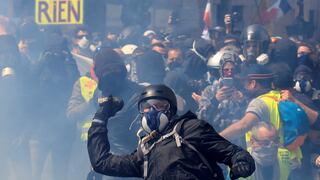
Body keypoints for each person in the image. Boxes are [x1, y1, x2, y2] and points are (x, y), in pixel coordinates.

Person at [87, 84, 255, 179]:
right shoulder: (144, 152)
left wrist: (240, 162)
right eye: (147, 107)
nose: (152, 111)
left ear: (171, 110)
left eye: (159, 106)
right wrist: (100, 118)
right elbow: (101, 163)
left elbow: (233, 152)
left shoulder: (190, 129)